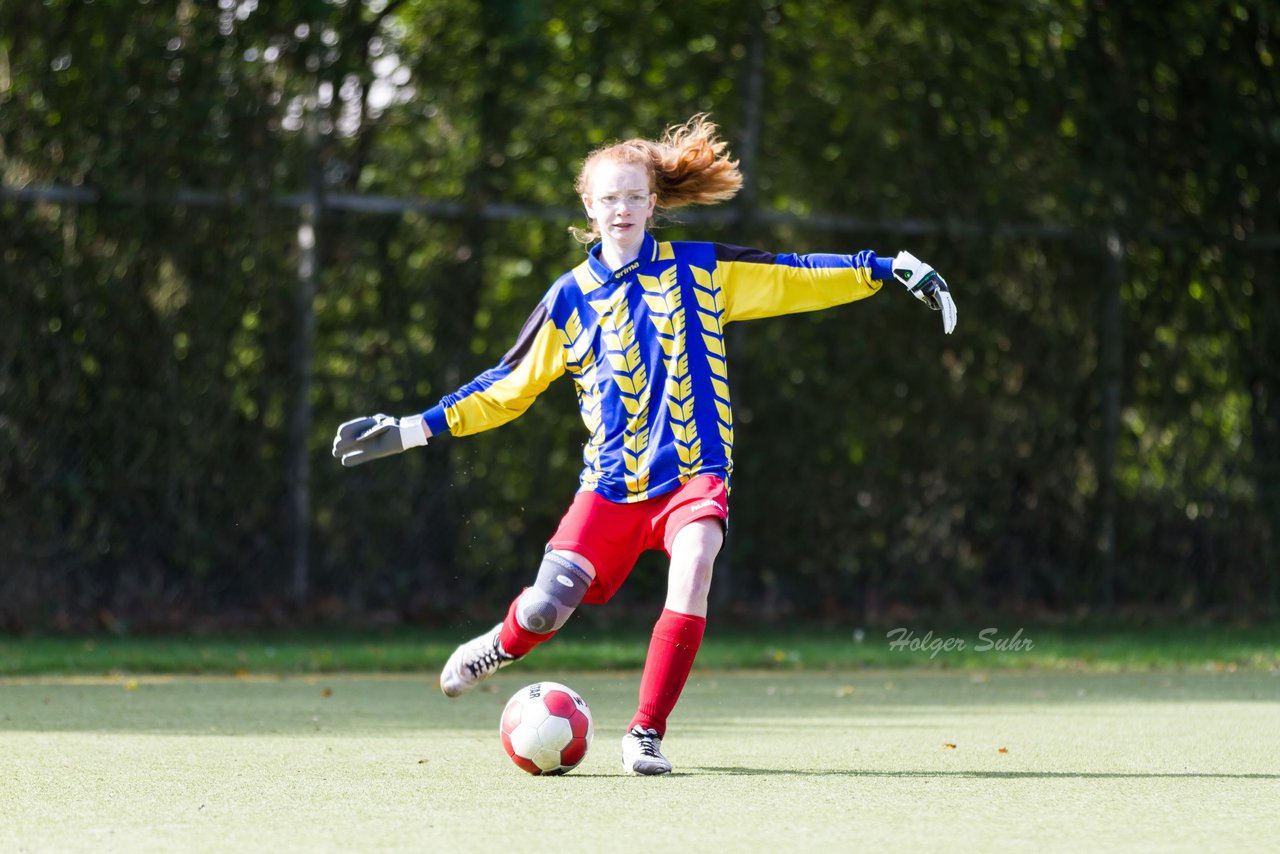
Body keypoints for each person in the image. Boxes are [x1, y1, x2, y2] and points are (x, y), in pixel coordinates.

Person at [332, 114, 957, 776]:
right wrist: (411, 427)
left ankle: (644, 735)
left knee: (696, 563)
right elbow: (506, 387)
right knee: (545, 609)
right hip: (608, 487)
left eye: (634, 196)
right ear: (589, 207)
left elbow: (793, 276)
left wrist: (885, 268)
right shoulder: (568, 299)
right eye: (610, 198)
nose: (622, 209)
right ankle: (501, 643)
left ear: (654, 203)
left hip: (694, 475)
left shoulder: (700, 269)